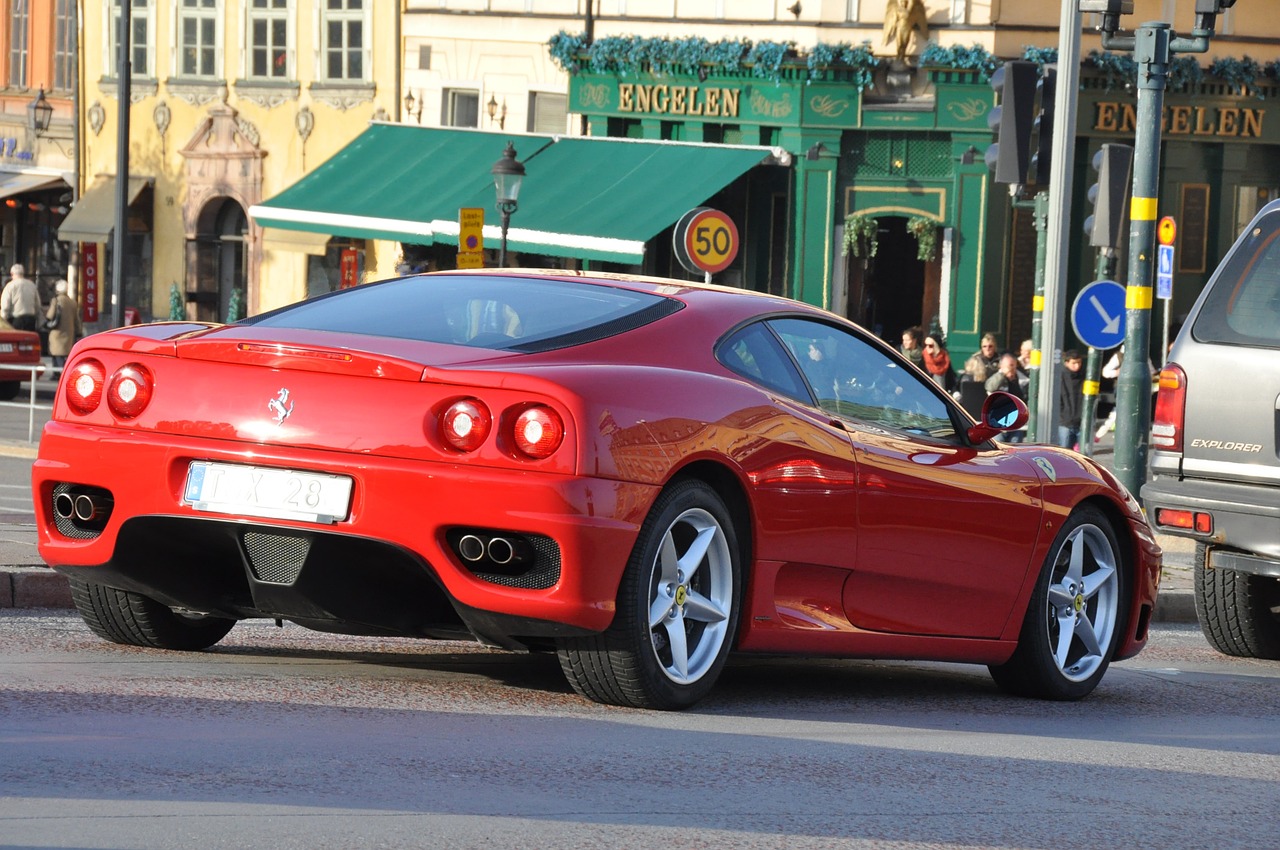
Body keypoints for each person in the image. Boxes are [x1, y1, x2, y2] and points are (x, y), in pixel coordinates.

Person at [984, 353, 1027, 442]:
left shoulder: (1022, 379)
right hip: (998, 420)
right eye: (1009, 366)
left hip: (1016, 420)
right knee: (998, 447)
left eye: (1014, 366)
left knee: (1015, 448)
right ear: (1002, 366)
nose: (1012, 369)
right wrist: (1002, 375)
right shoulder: (997, 377)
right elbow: (990, 387)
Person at [45, 279, 83, 368]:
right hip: (68, 332)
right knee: (64, 353)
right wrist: (79, 331)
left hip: (57, 332)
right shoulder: (72, 302)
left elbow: (50, 315)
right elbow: (76, 319)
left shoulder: (56, 301)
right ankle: (61, 371)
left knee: (56, 352)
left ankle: (56, 373)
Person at [1058, 349, 1086, 450]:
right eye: (1074, 363)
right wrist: (1063, 416)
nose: (1077, 366)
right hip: (1065, 422)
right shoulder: (1060, 377)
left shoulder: (1085, 376)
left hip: (1082, 422)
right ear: (1066, 363)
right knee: (1065, 452)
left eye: (1079, 362)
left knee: (1083, 453)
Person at [0, 263, 41, 332]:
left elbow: (5, 306)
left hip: (16, 320)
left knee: (16, 340)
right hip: (30, 320)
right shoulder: (32, 285)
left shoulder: (9, 286)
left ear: (11, 274)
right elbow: (38, 305)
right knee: (28, 341)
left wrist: (3, 322)